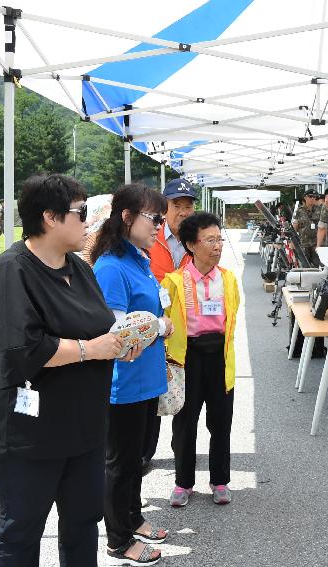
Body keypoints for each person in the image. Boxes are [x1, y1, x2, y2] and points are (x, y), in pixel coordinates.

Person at [0, 173, 132, 566]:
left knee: (83, 524)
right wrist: (91, 349)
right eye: (81, 213)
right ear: (50, 216)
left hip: (83, 428)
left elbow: (99, 327)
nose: (89, 222)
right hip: (29, 433)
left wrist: (119, 343)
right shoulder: (13, 269)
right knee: (22, 530)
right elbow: (22, 349)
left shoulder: (78, 269)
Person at [91, 184, 176, 567]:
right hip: (124, 385)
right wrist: (160, 325)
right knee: (121, 464)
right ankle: (118, 538)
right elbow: (118, 332)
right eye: (154, 218)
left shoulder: (139, 258)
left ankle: (134, 517)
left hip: (146, 380)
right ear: (126, 217)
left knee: (138, 459)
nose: (160, 226)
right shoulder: (111, 266)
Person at [162, 212, 240, 507]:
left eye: (220, 238)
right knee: (185, 422)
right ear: (191, 245)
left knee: (221, 422)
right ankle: (183, 482)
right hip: (188, 357)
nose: (218, 245)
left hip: (219, 357)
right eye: (210, 240)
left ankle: (220, 481)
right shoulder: (174, 283)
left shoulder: (229, 280)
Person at [140, 177, 196, 476]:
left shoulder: (197, 239)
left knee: (182, 395)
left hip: (187, 332)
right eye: (177, 205)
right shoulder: (150, 235)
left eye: (189, 205)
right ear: (165, 207)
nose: (184, 211)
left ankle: (183, 461)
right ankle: (143, 455)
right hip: (154, 329)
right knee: (151, 396)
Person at [292, 188, 321, 266]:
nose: (313, 198)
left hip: (316, 244)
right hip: (304, 244)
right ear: (305, 198)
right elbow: (295, 227)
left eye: (314, 197)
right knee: (305, 267)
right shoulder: (299, 211)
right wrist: (292, 242)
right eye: (310, 196)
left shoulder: (319, 210)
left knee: (317, 266)